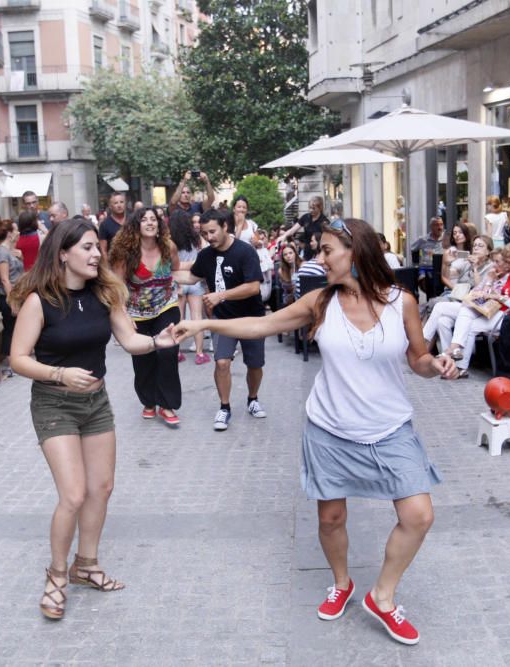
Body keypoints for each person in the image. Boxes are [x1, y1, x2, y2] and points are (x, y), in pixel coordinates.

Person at [172, 218, 457, 645]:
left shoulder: (403, 302)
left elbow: (418, 358)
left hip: (390, 426)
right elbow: (262, 325)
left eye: (326, 251)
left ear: (355, 252)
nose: (318, 258)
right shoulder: (320, 302)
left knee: (419, 516)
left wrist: (435, 366)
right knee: (331, 517)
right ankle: (341, 583)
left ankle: (382, 596)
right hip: (330, 427)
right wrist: (205, 326)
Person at [8, 218, 176, 621]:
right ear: (62, 253)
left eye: (95, 247)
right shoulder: (39, 301)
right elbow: (17, 359)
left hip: (96, 403)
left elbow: (130, 340)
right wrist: (59, 373)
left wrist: (158, 341)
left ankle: (87, 565)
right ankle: (57, 576)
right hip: (54, 403)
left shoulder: (104, 295)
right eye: (86, 247)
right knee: (74, 494)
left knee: (102, 487)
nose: (96, 254)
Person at [175, 208, 267, 431]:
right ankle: (224, 407)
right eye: (205, 233)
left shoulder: (245, 252)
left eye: (213, 232)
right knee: (222, 362)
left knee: (254, 364)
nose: (209, 237)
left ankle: (252, 399)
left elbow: (254, 286)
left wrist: (221, 295)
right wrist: (162, 275)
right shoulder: (206, 255)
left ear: (225, 227)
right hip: (222, 320)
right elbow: (191, 276)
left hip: (250, 318)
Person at [108, 207, 184, 427]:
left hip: (165, 307)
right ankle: (148, 401)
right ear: (137, 225)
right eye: (144, 219)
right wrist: (123, 315)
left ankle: (167, 404)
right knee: (143, 358)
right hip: (137, 313)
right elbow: (117, 286)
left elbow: (176, 270)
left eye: (154, 219)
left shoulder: (169, 247)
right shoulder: (126, 253)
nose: (150, 223)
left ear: (159, 225)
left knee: (168, 352)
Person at [444, 243, 510, 378]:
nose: (508, 266)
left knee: (471, 325)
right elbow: (504, 293)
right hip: (500, 313)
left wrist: (493, 296)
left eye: (509, 262)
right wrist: (489, 286)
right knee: (468, 319)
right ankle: (459, 366)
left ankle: (459, 364)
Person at [169, 210, 210, 364]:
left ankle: (177, 352)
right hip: (194, 280)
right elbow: (204, 253)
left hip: (178, 280)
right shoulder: (196, 239)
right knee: (197, 318)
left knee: (178, 319)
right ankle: (199, 354)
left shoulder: (170, 241)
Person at [0, 219, 23, 375]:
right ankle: (8, 362)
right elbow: (5, 279)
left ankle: (14, 360)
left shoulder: (11, 250)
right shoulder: (2, 252)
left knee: (16, 327)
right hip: (7, 296)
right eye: (16, 230)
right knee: (10, 328)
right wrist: (12, 301)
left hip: (16, 295)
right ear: (10, 234)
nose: (18, 233)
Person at [410, 217, 445, 302]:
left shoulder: (446, 239)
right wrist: (415, 262)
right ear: (431, 227)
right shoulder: (423, 240)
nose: (439, 227)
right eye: (437, 225)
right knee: (425, 279)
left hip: (441, 268)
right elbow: (411, 249)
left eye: (441, 224)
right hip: (426, 268)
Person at [98, 192, 128, 257]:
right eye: (116, 203)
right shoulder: (104, 225)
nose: (119, 205)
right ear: (110, 206)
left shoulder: (132, 220)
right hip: (114, 263)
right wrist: (107, 266)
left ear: (125, 203)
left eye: (121, 202)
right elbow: (103, 250)